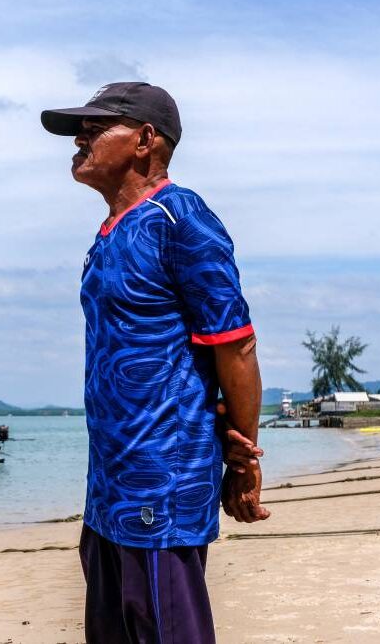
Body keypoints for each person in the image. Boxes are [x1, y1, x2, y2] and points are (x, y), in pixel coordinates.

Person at [41, 82, 270, 643]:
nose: (79, 140)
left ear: (145, 140)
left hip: (162, 481)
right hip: (108, 485)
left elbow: (236, 344)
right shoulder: (109, 232)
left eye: (95, 129)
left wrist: (243, 460)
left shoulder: (181, 218)